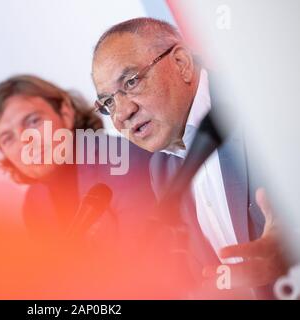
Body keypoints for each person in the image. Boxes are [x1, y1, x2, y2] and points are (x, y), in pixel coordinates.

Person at [91, 17, 288, 298]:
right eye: (109, 102)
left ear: (181, 63)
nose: (122, 114)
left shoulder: (259, 100)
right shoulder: (161, 170)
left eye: (131, 82)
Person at [0, 74, 157, 259]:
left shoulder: (124, 163)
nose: (25, 141)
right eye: (8, 138)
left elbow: (144, 267)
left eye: (33, 121)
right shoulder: (35, 203)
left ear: (65, 113)